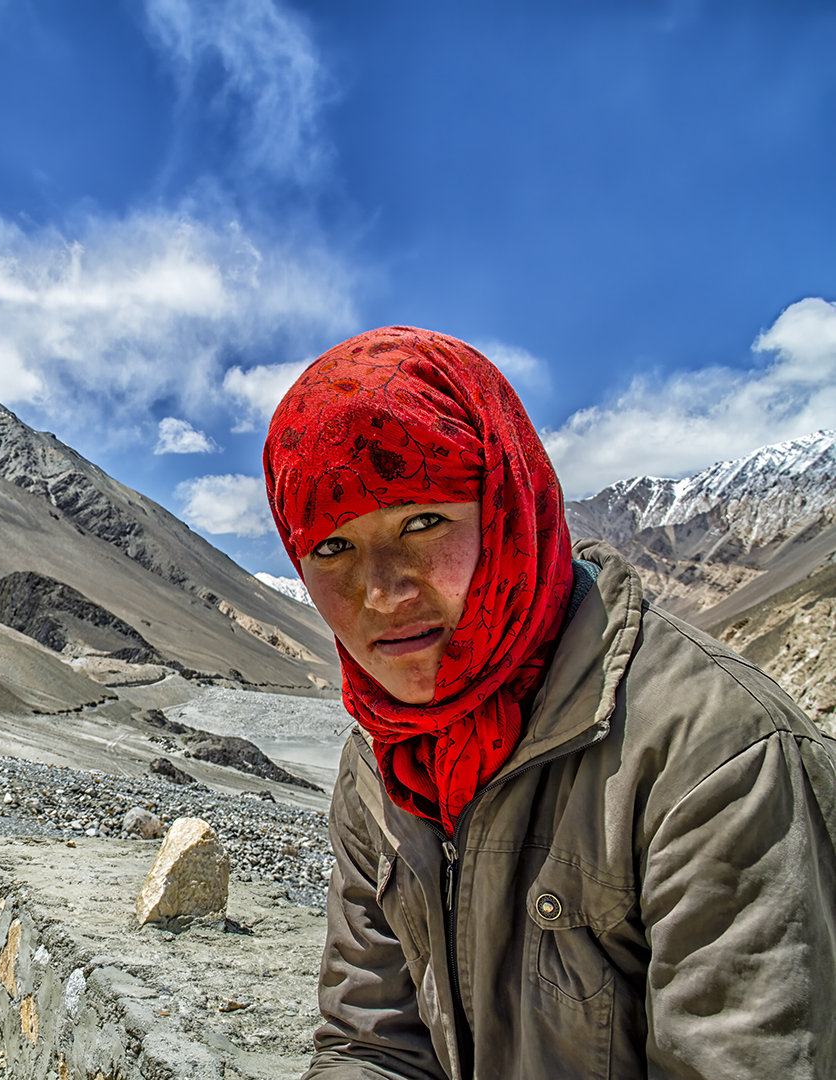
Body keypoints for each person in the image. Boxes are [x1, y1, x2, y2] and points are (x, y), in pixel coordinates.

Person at [262, 326, 836, 1079]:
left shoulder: (715, 758)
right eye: (333, 548)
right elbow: (373, 1044)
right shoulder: (381, 761)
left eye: (423, 522)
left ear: (506, 510)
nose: (383, 592)